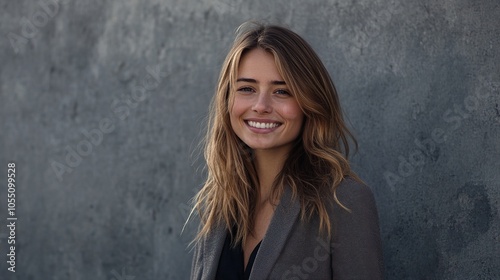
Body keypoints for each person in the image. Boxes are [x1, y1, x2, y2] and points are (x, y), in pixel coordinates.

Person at [189, 22, 384, 280]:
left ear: (309, 103)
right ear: (227, 100)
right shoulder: (220, 202)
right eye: (247, 88)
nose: (261, 106)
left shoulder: (344, 201)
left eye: (282, 91)